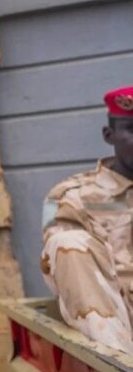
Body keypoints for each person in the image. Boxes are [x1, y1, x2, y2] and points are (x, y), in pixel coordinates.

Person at [41, 85, 133, 353]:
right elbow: (65, 271)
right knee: (66, 242)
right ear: (109, 135)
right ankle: (122, 371)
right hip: (118, 330)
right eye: (132, 130)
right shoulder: (68, 197)